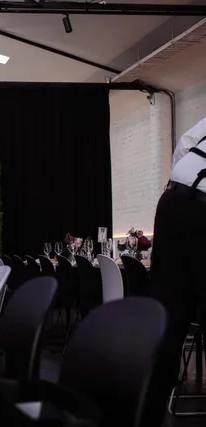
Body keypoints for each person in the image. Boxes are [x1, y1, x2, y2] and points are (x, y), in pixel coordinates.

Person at [146, 116, 206, 425]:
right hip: (202, 208)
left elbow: (184, 144)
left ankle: (150, 413)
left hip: (171, 202)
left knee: (168, 319)